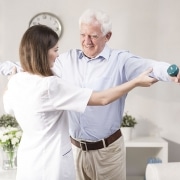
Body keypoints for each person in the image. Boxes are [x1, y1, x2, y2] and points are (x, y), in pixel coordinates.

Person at [1, 9, 180, 180]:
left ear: (107, 36)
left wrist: (171, 72)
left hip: (107, 152)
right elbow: (34, 63)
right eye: (83, 35)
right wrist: (8, 66)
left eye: (93, 36)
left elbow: (149, 66)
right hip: (74, 150)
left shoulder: (120, 60)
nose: (87, 41)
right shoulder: (66, 60)